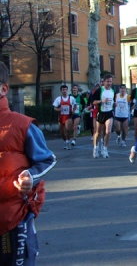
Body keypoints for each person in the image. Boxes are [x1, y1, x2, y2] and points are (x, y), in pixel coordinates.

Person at [0, 62, 57, 265]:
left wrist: (30, 176)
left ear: (4, 88)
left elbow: (47, 159)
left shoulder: (21, 125)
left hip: (12, 218)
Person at [92, 74, 115, 158]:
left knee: (108, 131)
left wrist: (114, 104)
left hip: (109, 113)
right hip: (101, 113)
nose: (109, 83)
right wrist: (102, 101)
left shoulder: (112, 91)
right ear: (104, 82)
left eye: (110, 81)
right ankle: (95, 148)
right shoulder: (99, 90)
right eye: (107, 81)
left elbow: (112, 102)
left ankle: (105, 148)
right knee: (98, 132)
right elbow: (93, 102)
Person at [52, 84, 76, 150]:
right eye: (63, 90)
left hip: (68, 116)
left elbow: (75, 105)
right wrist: (58, 109)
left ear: (67, 90)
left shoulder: (71, 98)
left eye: (65, 89)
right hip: (61, 116)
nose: (64, 91)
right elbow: (54, 108)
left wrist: (73, 110)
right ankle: (65, 141)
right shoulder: (58, 99)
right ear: (61, 91)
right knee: (62, 131)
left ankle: (68, 142)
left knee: (67, 129)